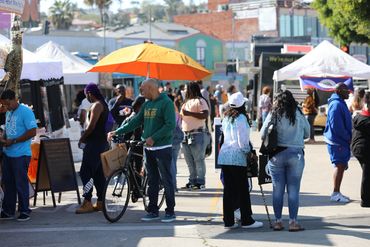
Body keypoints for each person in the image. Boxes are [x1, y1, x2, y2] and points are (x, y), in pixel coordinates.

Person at [108, 78, 176, 223]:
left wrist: (154, 137)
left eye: (143, 89)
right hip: (148, 148)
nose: (141, 92)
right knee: (152, 180)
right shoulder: (147, 104)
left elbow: (170, 125)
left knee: (166, 179)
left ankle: (170, 211)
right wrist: (117, 132)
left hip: (162, 147)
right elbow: (135, 121)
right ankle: (153, 210)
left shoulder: (166, 103)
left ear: (151, 88)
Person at [261, 90, 310, 232]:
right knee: (293, 190)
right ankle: (293, 222)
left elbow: (263, 133)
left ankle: (278, 222)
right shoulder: (298, 113)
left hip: (276, 155)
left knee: (277, 190)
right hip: (296, 154)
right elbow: (307, 133)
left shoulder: (274, 113)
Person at [218, 92, 263, 229]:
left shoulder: (225, 117)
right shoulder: (242, 118)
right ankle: (246, 220)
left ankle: (228, 221)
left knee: (229, 190)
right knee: (242, 189)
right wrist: (248, 153)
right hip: (237, 157)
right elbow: (242, 141)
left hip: (225, 156)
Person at [0, 89, 37, 221]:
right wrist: (4, 138)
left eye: (7, 104)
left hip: (21, 154)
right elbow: (8, 130)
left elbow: (33, 131)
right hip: (8, 153)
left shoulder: (26, 111)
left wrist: (14, 140)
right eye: (4, 104)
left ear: (14, 99)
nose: (6, 107)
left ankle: (24, 210)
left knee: (20, 183)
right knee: (8, 183)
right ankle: (8, 210)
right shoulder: (9, 112)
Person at [76, 83, 110, 214]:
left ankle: (87, 201)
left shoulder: (96, 105)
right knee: (98, 174)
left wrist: (82, 138)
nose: (87, 98)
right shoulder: (104, 104)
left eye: (86, 95)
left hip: (94, 145)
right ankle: (101, 202)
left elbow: (91, 126)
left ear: (90, 93)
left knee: (85, 173)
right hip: (102, 144)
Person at [324, 83, 352, 203]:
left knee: (341, 166)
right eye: (346, 90)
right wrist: (347, 137)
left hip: (340, 141)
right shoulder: (336, 104)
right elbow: (336, 126)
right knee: (339, 166)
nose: (348, 92)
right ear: (339, 91)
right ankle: (335, 193)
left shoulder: (339, 102)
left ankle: (337, 192)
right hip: (337, 141)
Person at [181, 82, 209, 190]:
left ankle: (200, 181)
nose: (184, 91)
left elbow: (205, 115)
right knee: (189, 161)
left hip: (197, 134)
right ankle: (192, 181)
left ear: (191, 89)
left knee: (198, 159)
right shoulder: (185, 103)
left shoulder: (200, 101)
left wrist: (189, 113)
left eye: (186, 88)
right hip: (185, 135)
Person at [351, 91, 370, 208]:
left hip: (358, 148)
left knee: (367, 174)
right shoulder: (366, 120)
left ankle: (366, 199)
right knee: (367, 174)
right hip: (364, 149)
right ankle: (366, 200)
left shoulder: (359, 116)